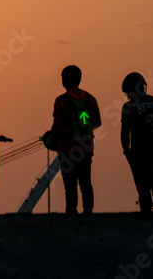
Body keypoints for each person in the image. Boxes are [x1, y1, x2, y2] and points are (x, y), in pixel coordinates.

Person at [48, 65, 101, 214]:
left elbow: (56, 126)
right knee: (86, 182)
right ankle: (88, 212)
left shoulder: (60, 101)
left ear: (63, 81)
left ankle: (71, 212)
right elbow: (97, 122)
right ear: (80, 79)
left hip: (67, 149)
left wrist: (52, 138)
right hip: (86, 148)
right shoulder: (90, 98)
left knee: (70, 184)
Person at [121, 72, 153, 213]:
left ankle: (146, 216)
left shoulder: (128, 107)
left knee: (142, 186)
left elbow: (125, 134)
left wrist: (127, 152)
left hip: (139, 152)